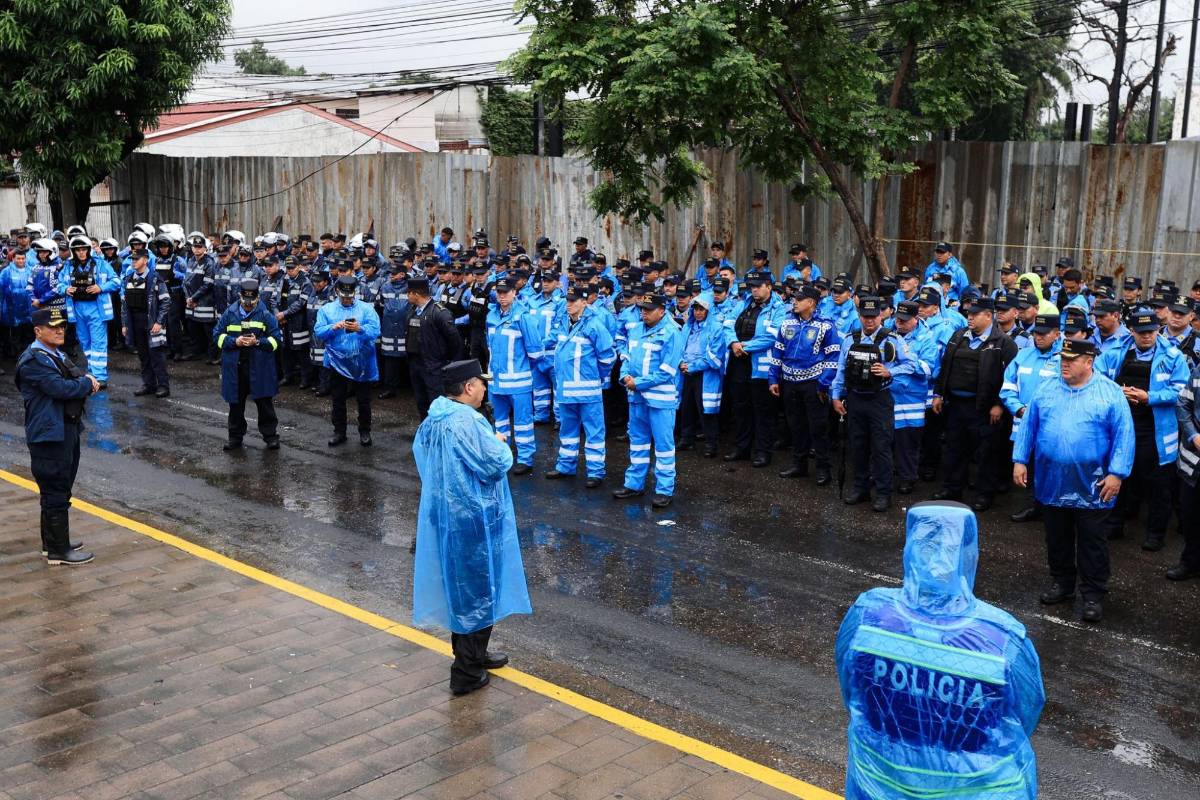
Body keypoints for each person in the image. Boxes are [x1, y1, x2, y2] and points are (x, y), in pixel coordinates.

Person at [836, 501, 1044, 800]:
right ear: (970, 552)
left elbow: (853, 691)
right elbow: (1025, 713)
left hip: (879, 783)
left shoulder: (867, 615)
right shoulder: (1002, 637)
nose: (937, 557)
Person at [412, 359, 532, 696]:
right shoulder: (467, 423)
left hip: (448, 515)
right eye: (481, 383)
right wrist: (497, 439)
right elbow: (496, 463)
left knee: (464, 590)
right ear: (468, 387)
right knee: (478, 593)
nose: (485, 389)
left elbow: (423, 457)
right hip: (472, 518)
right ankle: (466, 671)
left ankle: (474, 654)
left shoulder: (435, 416)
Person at [1013, 337, 1134, 623]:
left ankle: (1092, 594)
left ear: (1089, 362)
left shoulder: (1110, 392)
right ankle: (1062, 583)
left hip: (1093, 485)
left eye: (1070, 360)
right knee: (1057, 537)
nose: (1063, 364)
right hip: (1053, 480)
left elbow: (1124, 436)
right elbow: (1029, 426)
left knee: (1093, 542)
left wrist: (1117, 473)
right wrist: (1019, 459)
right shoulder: (1048, 388)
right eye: (1062, 360)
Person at [1094, 310, 1189, 549]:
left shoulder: (1173, 356)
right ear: (1131, 331)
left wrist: (1150, 397)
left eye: (1151, 332)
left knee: (1157, 484)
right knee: (1117, 475)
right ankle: (1114, 524)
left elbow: (1181, 391)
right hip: (1121, 425)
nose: (1147, 337)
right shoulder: (1114, 353)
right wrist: (1118, 393)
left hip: (1155, 429)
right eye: (1141, 332)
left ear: (1158, 330)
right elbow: (1096, 378)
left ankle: (1156, 533)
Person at [15, 307, 101, 565]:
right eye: (53, 327)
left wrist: (82, 380)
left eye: (62, 325)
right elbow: (60, 388)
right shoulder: (34, 360)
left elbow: (75, 373)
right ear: (38, 331)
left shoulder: (54, 354)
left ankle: (52, 542)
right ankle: (59, 551)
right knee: (55, 488)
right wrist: (86, 384)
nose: (59, 330)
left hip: (64, 429)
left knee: (59, 488)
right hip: (49, 435)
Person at [931, 298, 1019, 511]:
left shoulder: (1004, 343)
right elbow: (946, 367)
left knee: (986, 453)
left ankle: (984, 494)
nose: (969, 317)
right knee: (955, 448)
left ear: (988, 316)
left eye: (975, 314)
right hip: (956, 404)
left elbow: (1010, 378)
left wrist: (999, 404)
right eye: (969, 313)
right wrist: (938, 394)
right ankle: (952, 488)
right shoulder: (959, 336)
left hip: (985, 408)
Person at [831, 297, 915, 512]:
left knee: (881, 448)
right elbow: (841, 369)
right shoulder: (851, 338)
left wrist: (890, 371)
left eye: (873, 316)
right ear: (860, 317)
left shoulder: (892, 339)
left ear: (881, 316)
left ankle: (883, 493)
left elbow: (911, 364)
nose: (869, 321)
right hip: (855, 398)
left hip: (879, 400)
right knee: (857, 446)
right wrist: (835, 395)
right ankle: (860, 488)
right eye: (865, 317)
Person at [613, 291, 684, 509]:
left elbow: (666, 371)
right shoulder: (636, 330)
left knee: (663, 446)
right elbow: (626, 356)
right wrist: (624, 375)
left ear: (662, 311)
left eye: (649, 310)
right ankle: (634, 484)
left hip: (659, 400)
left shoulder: (672, 333)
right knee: (638, 443)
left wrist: (638, 383)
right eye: (642, 309)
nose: (644, 313)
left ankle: (664, 489)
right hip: (637, 398)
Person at [767, 284, 840, 482]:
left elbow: (833, 357)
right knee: (796, 425)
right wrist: (773, 378)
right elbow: (777, 352)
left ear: (811, 303)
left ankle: (824, 469)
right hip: (789, 382)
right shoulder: (786, 323)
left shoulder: (826, 325)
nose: (794, 302)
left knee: (818, 427)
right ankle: (799, 465)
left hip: (813, 384)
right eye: (794, 298)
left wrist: (823, 384)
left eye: (799, 300)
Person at [546, 284, 616, 486]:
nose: (569, 304)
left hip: (587, 391)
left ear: (584, 302)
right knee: (567, 431)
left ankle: (595, 472)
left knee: (594, 431)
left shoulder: (594, 325)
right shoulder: (564, 323)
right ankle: (565, 466)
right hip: (566, 390)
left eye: (573, 301)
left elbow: (608, 357)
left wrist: (596, 377)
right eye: (567, 300)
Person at [1000, 314, 1062, 524]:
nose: (1039, 337)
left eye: (1044, 334)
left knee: (1053, 466)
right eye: (1036, 333)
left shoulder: (1065, 359)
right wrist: (1017, 409)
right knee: (1030, 467)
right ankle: (1033, 506)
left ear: (1057, 334)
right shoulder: (1023, 355)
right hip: (1024, 424)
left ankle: (1053, 507)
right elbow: (1008, 386)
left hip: (1053, 426)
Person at [725, 270, 786, 467]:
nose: (754, 290)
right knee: (741, 408)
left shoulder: (779, 308)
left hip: (760, 365)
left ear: (769, 286)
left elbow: (772, 336)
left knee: (763, 411)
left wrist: (745, 347)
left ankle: (763, 452)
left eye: (758, 286)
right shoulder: (743, 302)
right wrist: (734, 343)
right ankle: (742, 448)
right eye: (752, 286)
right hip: (739, 361)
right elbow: (727, 325)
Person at [213, 280, 282, 451]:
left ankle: (271, 437)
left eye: (252, 302)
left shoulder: (265, 314)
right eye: (245, 302)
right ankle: (235, 438)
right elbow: (217, 336)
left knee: (264, 403)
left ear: (257, 298)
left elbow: (276, 341)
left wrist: (258, 342)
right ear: (240, 297)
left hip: (259, 366)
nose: (249, 305)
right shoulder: (230, 313)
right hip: (236, 367)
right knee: (235, 405)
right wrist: (234, 341)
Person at [485, 278, 544, 473]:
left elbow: (535, 353)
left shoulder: (523, 317)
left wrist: (520, 368)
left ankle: (525, 459)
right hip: (496, 381)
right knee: (499, 420)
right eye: (499, 292)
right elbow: (489, 347)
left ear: (514, 293)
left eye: (506, 292)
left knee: (523, 422)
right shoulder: (491, 316)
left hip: (518, 382)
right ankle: (502, 454)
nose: (502, 296)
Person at [315, 275, 381, 447]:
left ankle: (365, 431)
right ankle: (339, 432)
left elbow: (375, 331)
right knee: (338, 399)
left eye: (349, 296)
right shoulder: (327, 310)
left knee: (364, 400)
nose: (346, 299)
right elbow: (319, 332)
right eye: (343, 296)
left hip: (362, 362)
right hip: (337, 362)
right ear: (337, 291)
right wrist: (333, 327)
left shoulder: (366, 309)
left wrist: (360, 329)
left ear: (355, 293)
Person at [890, 300, 940, 494]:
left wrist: (904, 359)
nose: (899, 323)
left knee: (908, 441)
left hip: (911, 397)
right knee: (886, 438)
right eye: (897, 319)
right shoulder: (889, 332)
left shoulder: (926, 339)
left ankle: (907, 478)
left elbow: (928, 369)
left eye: (904, 320)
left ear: (915, 319)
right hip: (888, 394)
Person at [59, 235, 119, 389]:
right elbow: (58, 284)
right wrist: (65, 289)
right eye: (77, 250)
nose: (81, 252)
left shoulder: (101, 264)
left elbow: (116, 281)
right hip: (77, 308)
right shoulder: (68, 266)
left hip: (96, 308)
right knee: (85, 342)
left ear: (88, 250)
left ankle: (100, 376)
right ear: (73, 251)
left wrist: (101, 287)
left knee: (98, 342)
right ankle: (92, 371)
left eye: (83, 249)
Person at [677, 293, 730, 458]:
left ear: (709, 310)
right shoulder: (688, 326)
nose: (698, 312)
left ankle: (711, 444)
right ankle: (687, 439)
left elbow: (714, 357)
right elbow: (679, 347)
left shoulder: (716, 328)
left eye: (702, 309)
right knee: (687, 407)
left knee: (706, 411)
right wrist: (680, 363)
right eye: (695, 309)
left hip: (705, 375)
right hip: (686, 372)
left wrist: (692, 366)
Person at [404, 278, 463, 419]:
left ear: (416, 294)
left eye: (409, 293)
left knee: (437, 404)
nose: (407, 296)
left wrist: (448, 362)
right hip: (416, 363)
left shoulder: (439, 312)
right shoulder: (413, 310)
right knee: (421, 401)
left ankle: (440, 435)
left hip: (433, 366)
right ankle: (427, 432)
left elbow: (455, 340)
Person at [120, 251, 171, 398]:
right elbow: (124, 304)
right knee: (143, 355)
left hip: (151, 321)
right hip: (135, 321)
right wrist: (125, 324)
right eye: (132, 259)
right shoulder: (128, 278)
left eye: (137, 259)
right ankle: (149, 384)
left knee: (157, 355)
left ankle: (163, 386)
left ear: (146, 260)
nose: (133, 261)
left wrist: (158, 322)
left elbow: (166, 301)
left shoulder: (155, 278)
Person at [1170, 358, 1200, 580]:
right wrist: (1194, 435)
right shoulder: (1199, 371)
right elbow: (1182, 404)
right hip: (1194, 463)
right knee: (1190, 517)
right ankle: (1190, 562)